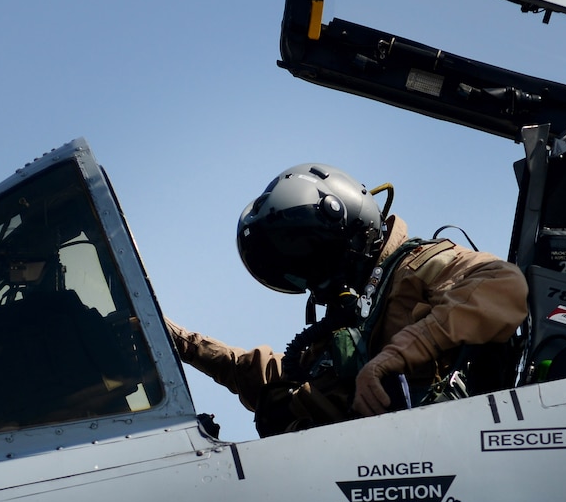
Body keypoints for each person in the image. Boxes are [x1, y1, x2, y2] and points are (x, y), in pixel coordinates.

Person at [166, 164, 528, 435]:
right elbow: (281, 374)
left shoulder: (418, 266)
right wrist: (180, 344)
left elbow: (502, 285)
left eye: (314, 258)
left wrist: (392, 358)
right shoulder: (350, 317)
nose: (315, 281)